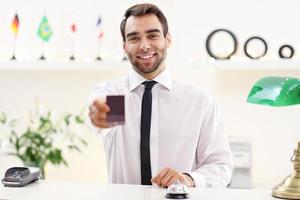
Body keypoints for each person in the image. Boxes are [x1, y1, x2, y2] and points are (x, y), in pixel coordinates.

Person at [88, 3, 232, 188]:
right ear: (124, 46)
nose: (144, 46)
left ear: (168, 39)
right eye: (134, 38)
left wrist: (188, 179)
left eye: (152, 35)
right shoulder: (116, 96)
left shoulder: (199, 103)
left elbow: (220, 166)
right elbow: (103, 112)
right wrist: (100, 114)